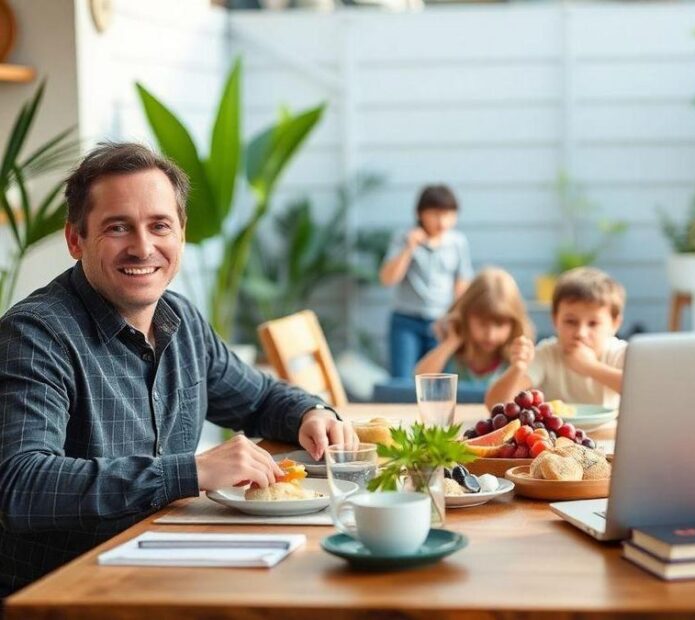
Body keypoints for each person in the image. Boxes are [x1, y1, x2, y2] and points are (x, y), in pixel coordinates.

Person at [0, 142, 357, 596]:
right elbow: (22, 485)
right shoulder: (35, 336)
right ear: (76, 240)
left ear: (181, 234)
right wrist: (190, 472)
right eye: (118, 228)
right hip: (66, 594)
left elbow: (261, 398)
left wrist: (312, 413)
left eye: (159, 226)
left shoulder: (181, 319)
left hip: (167, 570)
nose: (143, 247)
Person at [485, 267, 627, 410]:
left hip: (608, 431)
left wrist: (590, 367)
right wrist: (518, 368)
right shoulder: (546, 354)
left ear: (615, 324)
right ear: (555, 319)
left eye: (593, 324)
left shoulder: (619, 353)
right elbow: (495, 404)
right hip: (555, 432)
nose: (581, 333)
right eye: (570, 321)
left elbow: (644, 393)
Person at [379, 185, 473, 379]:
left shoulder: (458, 242)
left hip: (440, 323)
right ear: (420, 214)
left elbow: (462, 283)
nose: (442, 221)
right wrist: (409, 248)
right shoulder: (403, 238)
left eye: (448, 214)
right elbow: (388, 279)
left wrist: (457, 318)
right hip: (406, 321)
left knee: (439, 382)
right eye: (435, 214)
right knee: (403, 381)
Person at [414, 267, 534, 385]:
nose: (490, 334)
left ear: (514, 324)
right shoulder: (454, 354)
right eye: (482, 323)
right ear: (465, 316)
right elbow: (420, 379)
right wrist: (450, 343)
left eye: (500, 324)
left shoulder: (515, 360)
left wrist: (519, 366)